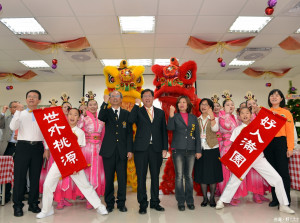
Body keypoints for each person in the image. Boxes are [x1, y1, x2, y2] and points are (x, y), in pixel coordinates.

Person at [216, 107, 295, 214]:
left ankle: (283, 204)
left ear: (251, 114)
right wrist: (230, 162)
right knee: (234, 180)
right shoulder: (237, 130)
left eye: (247, 113)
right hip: (244, 159)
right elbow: (234, 148)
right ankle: (222, 201)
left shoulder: (257, 126)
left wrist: (274, 116)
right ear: (239, 116)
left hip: (258, 158)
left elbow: (270, 125)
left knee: (277, 179)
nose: (245, 115)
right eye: (242, 113)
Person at [36, 108, 108, 219]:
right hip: (60, 162)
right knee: (48, 184)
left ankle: (99, 206)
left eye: (75, 115)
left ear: (79, 118)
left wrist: (74, 167)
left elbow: (78, 151)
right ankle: (46, 210)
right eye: (70, 114)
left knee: (85, 185)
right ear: (67, 115)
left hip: (73, 162)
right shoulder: (58, 129)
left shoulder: (80, 132)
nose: (72, 117)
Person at [10, 90, 50, 217]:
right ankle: (17, 206)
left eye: (34, 97)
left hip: (38, 147)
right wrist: (17, 112)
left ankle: (33, 204)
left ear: (39, 100)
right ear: (26, 99)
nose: (31, 98)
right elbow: (12, 127)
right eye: (29, 96)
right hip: (23, 147)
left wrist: (47, 149)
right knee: (20, 178)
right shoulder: (20, 113)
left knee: (35, 177)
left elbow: (46, 132)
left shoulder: (42, 114)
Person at [128, 89, 168, 214]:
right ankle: (143, 204)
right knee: (141, 177)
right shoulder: (138, 111)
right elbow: (130, 120)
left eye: (149, 96)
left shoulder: (160, 113)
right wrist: (136, 105)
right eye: (144, 96)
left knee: (155, 177)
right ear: (142, 98)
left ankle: (155, 202)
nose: (147, 98)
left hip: (156, 149)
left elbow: (164, 131)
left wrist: (165, 148)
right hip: (141, 149)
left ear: (153, 97)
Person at [98, 90, 133, 213]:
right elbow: (100, 117)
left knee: (122, 179)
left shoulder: (126, 114)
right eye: (112, 96)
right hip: (108, 151)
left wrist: (129, 150)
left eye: (117, 96)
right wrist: (104, 101)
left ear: (121, 99)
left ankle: (121, 203)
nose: (114, 98)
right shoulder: (106, 112)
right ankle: (109, 203)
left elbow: (129, 133)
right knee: (109, 179)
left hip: (122, 151)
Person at [167, 96, 201, 211]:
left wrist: (198, 150)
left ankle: (190, 201)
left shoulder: (193, 118)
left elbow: (197, 135)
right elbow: (170, 128)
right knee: (179, 176)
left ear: (187, 105)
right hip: (178, 150)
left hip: (191, 150)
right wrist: (171, 115)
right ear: (177, 105)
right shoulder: (175, 116)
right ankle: (180, 202)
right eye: (180, 102)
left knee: (189, 177)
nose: (182, 104)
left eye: (184, 102)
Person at [264, 89, 295, 207]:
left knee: (283, 172)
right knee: (272, 173)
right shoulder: (266, 112)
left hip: (281, 143)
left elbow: (290, 132)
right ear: (269, 98)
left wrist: (290, 147)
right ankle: (275, 198)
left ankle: (286, 200)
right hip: (268, 144)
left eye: (277, 95)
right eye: (272, 95)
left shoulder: (286, 113)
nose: (274, 97)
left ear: (281, 99)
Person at [76, 97, 106, 209]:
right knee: (86, 172)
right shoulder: (83, 119)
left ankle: (96, 194)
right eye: (91, 105)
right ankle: (87, 195)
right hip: (87, 149)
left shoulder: (101, 119)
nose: (93, 106)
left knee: (97, 172)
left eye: (95, 104)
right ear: (87, 107)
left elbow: (103, 135)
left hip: (98, 149)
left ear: (97, 106)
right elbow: (77, 131)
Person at [217, 97, 247, 205]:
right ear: (223, 107)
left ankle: (234, 194)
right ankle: (227, 195)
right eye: (228, 105)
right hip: (226, 147)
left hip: (236, 147)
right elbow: (227, 126)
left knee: (235, 170)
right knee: (227, 171)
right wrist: (226, 114)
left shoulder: (235, 117)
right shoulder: (222, 117)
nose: (231, 107)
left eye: (232, 105)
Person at [194, 98, 223, 208]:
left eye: (206, 105)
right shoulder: (197, 120)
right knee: (202, 174)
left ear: (210, 107)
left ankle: (212, 199)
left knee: (212, 175)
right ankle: (205, 198)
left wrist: (212, 117)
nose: (203, 106)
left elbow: (215, 129)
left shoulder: (215, 119)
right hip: (200, 150)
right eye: (202, 104)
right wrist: (197, 150)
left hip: (212, 149)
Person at [245, 97, 270, 203]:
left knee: (262, 172)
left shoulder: (261, 115)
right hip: (252, 147)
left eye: (254, 103)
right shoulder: (246, 117)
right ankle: (255, 194)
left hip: (263, 146)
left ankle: (261, 193)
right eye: (249, 104)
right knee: (254, 172)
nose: (252, 105)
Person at [0, 101, 19, 203]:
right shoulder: (6, 118)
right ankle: (5, 196)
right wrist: (3, 112)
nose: (16, 109)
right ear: (11, 109)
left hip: (21, 146)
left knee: (20, 171)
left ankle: (20, 194)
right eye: (14, 107)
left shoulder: (23, 118)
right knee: (6, 172)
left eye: (18, 107)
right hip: (8, 146)